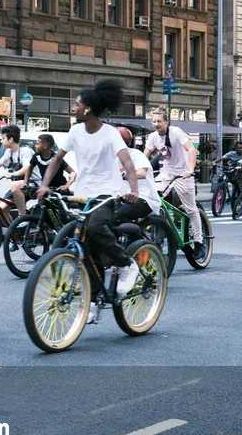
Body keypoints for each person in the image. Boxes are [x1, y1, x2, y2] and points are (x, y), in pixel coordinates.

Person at [36, 80, 147, 303]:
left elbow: (127, 162)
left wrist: (133, 191)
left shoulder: (110, 133)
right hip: (83, 192)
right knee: (83, 242)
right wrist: (44, 185)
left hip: (107, 193)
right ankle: (95, 297)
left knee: (96, 227)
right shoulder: (76, 131)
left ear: (87, 109)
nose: (73, 108)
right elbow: (57, 159)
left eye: (76, 104)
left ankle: (126, 264)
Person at [144, 109, 201, 246]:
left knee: (191, 209)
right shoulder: (153, 137)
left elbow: (192, 150)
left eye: (159, 121)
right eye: (154, 121)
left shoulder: (175, 132)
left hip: (183, 173)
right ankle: (160, 231)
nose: (156, 124)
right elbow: (144, 156)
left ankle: (199, 241)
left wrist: (190, 170)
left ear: (166, 121)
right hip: (167, 173)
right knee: (154, 199)